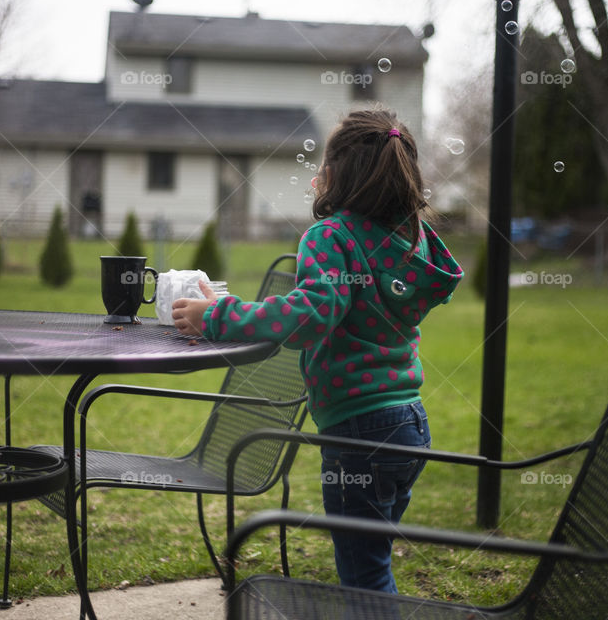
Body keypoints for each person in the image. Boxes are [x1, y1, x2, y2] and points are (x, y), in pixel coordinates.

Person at [172, 108, 464, 593]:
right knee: (374, 561)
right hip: (409, 427)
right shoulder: (411, 241)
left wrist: (218, 315)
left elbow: (307, 316)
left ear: (333, 176)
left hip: (360, 436)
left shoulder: (332, 238)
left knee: (364, 577)